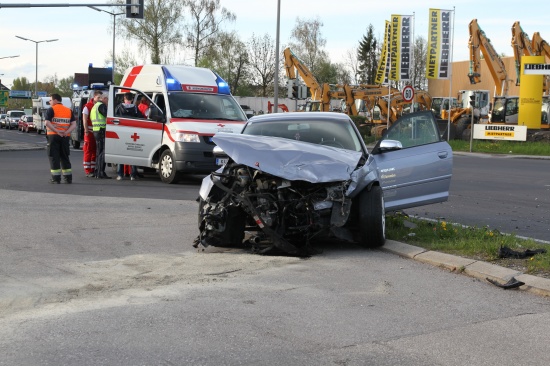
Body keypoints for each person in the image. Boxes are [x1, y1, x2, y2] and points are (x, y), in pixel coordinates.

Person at [44, 93, 76, 184]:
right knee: (65, 156)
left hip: (53, 136)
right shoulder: (68, 110)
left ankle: (56, 178)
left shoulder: (51, 110)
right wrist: (66, 132)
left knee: (54, 157)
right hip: (65, 137)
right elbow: (74, 124)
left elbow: (47, 123)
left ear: (55, 100)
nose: (49, 102)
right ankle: (68, 178)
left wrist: (57, 131)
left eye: (50, 100)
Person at [82, 90, 102, 177]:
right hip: (89, 132)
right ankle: (88, 170)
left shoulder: (99, 106)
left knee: (95, 151)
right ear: (94, 97)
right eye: (98, 97)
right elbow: (84, 120)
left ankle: (93, 169)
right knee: (88, 151)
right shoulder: (87, 106)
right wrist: (86, 130)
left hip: (96, 132)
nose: (100, 99)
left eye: (101, 97)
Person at [91, 95, 111, 179]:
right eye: (107, 100)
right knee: (102, 152)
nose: (108, 102)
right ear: (104, 99)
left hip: (96, 130)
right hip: (102, 130)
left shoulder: (94, 107)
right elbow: (108, 116)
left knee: (99, 152)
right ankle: (101, 172)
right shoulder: (101, 106)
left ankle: (97, 171)